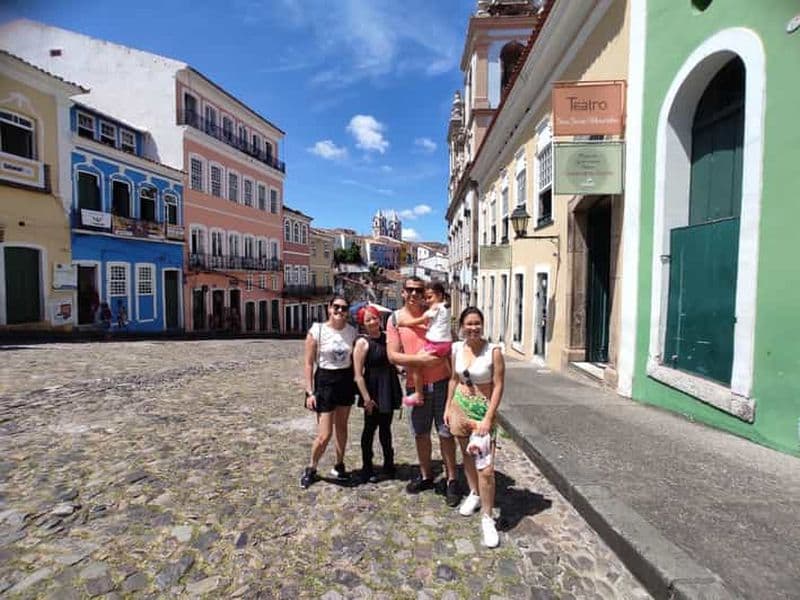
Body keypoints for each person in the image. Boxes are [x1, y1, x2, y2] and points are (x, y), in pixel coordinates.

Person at [386, 276, 460, 507]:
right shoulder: (395, 319)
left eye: (419, 290)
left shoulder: (435, 313)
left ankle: (452, 480)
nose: (415, 294)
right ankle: (427, 475)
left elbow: (451, 343)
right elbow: (393, 355)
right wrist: (419, 360)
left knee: (446, 433)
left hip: (441, 382)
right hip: (414, 384)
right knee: (421, 434)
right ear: (403, 293)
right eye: (410, 290)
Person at [445, 306, 505, 548]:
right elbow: (453, 379)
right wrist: (448, 407)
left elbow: (499, 386)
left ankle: (488, 518)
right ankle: (474, 493)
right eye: (468, 324)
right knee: (466, 456)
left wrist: (489, 418)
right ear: (462, 325)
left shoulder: (494, 351)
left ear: (482, 325)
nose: (473, 328)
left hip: (482, 411)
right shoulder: (457, 348)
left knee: (487, 469)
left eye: (476, 323)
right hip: (459, 407)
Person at [301, 295, 359, 489]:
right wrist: (310, 392)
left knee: (342, 427)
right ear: (329, 308)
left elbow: (356, 359)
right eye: (336, 307)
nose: (340, 311)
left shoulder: (352, 332)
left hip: (344, 380)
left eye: (344, 308)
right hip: (325, 382)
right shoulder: (317, 330)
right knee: (324, 434)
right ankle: (311, 467)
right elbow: (309, 364)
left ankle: (339, 464)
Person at [353, 305, 401, 483]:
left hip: (387, 386)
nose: (373, 322)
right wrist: (366, 399)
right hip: (372, 389)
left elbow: (395, 359)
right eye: (368, 320)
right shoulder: (362, 343)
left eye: (374, 317)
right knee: (369, 430)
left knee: (386, 430)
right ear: (363, 324)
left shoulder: (388, 338)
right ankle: (367, 466)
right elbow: (358, 375)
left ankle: (389, 465)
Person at [396, 280, 452, 407]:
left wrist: (404, 323)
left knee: (416, 365)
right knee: (447, 365)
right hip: (445, 343)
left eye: (430, 297)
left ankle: (418, 395)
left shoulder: (435, 309)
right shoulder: (446, 307)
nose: (427, 301)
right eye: (426, 298)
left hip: (436, 344)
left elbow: (420, 321)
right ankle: (452, 386)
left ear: (440, 295)